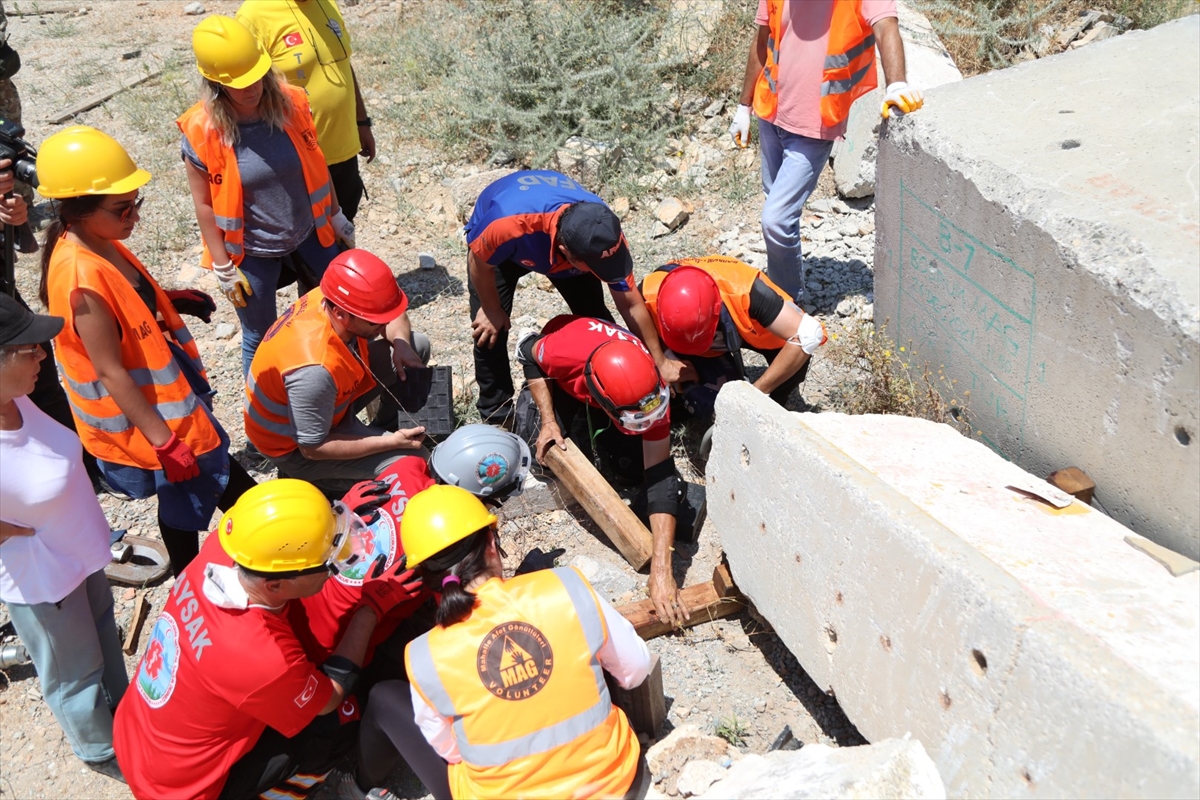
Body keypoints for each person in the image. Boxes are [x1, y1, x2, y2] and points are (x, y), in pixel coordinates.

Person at [113, 479, 442, 800]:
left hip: (134, 732)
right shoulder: (262, 656)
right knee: (340, 721)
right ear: (275, 586)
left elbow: (285, 527)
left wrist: (335, 515)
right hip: (181, 789)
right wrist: (369, 611)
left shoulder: (223, 547)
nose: (340, 561)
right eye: (331, 561)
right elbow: (329, 697)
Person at [36, 126, 256, 577]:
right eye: (122, 208)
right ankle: (261, 543)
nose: (134, 215)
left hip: (164, 400)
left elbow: (123, 309)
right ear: (78, 210)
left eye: (136, 202)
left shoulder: (98, 241)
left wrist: (167, 299)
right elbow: (111, 370)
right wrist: (164, 442)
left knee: (188, 489)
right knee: (214, 478)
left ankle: (191, 574)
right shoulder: (80, 278)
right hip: (152, 417)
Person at [390, 485, 652, 799]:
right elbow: (635, 670)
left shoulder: (423, 656)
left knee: (384, 698)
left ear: (425, 576)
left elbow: (450, 751)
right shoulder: (564, 587)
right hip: (613, 781)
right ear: (491, 542)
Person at [180, 14, 355, 377]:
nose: (253, 88)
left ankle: (338, 391)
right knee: (259, 337)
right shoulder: (202, 130)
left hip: (311, 232)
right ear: (215, 83)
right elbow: (204, 205)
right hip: (250, 250)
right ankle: (261, 426)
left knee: (343, 314)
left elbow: (316, 164)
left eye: (257, 75)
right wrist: (222, 266)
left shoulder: (292, 102)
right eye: (240, 83)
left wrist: (336, 214)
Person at [0, 294, 127, 783]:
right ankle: (101, 749)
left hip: (80, 553)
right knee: (75, 674)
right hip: (43, 579)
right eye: (28, 348)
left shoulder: (18, 398)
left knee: (102, 644)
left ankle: (128, 718)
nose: (41, 355)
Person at [729, 0, 923, 302]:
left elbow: (886, 28)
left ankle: (787, 305)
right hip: (770, 113)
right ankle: (783, 282)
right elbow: (762, 41)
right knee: (777, 207)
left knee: (776, 219)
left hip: (814, 126)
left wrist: (896, 83)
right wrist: (743, 105)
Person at [465, 169, 691, 425]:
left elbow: (630, 303)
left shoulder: (603, 229)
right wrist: (491, 308)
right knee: (489, 331)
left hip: (559, 245)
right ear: (567, 254)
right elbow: (478, 262)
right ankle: (497, 416)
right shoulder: (505, 225)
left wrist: (660, 361)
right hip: (508, 249)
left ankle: (606, 398)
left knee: (597, 321)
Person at [515, 315, 688, 625]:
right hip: (563, 372)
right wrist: (549, 420)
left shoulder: (649, 385)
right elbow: (527, 352)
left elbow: (660, 475)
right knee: (538, 447)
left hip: (610, 388)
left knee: (633, 471)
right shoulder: (561, 351)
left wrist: (663, 571)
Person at [244, 248, 430, 495]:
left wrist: (401, 344)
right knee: (418, 460)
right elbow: (313, 447)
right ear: (342, 315)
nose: (385, 325)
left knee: (416, 345)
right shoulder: (314, 369)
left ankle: (381, 429)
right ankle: (317, 484)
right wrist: (389, 442)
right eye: (375, 322)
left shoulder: (333, 294)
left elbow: (394, 316)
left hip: (326, 401)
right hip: (296, 449)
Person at [640, 254, 827, 421]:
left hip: (760, 331)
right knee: (716, 405)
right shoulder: (648, 294)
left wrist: (756, 394)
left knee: (794, 365)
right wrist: (665, 359)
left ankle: (772, 410)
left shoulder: (746, 292)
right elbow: (639, 326)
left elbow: (809, 333)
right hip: (701, 336)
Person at [236, 0, 375, 221]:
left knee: (344, 223)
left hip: (343, 148)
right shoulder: (253, 15)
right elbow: (242, 92)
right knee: (309, 241)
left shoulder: (327, 3)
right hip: (297, 161)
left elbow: (343, 64)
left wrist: (361, 122)